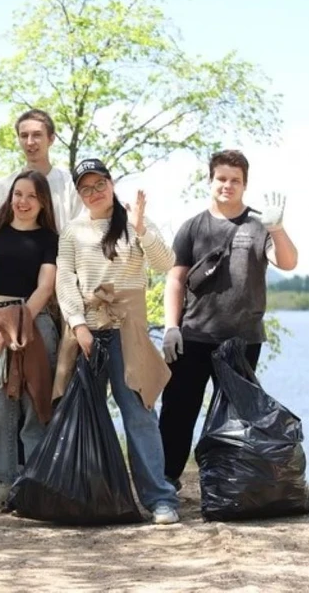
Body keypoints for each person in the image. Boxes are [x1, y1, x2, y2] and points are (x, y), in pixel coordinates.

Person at [159, 149, 298, 490]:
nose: (227, 185)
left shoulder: (259, 224)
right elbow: (175, 280)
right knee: (178, 411)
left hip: (242, 341)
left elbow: (288, 262)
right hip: (193, 337)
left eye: (235, 180)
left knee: (236, 419)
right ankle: (166, 482)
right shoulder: (193, 227)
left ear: (245, 185)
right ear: (210, 181)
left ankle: (229, 486)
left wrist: (277, 228)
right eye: (221, 178)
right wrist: (171, 327)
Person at [55, 158, 180, 524]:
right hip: (88, 332)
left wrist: (141, 228)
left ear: (111, 184)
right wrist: (78, 325)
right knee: (84, 413)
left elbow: (166, 263)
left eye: (100, 184)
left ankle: (160, 498)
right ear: (79, 193)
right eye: (86, 188)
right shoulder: (73, 231)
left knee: (140, 413)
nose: (94, 193)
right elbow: (65, 280)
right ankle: (88, 493)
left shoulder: (134, 223)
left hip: (128, 331)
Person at [0, 170, 60, 510]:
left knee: (35, 403)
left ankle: (34, 483)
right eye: (18, 194)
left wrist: (18, 323)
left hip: (35, 322)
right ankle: (3, 479)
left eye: (31, 196)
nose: (23, 201)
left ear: (43, 202)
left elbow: (45, 287)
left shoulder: (50, 239)